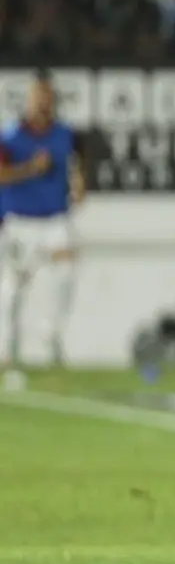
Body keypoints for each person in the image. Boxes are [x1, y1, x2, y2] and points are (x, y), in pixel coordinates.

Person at [0, 74, 84, 366]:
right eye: (38, 97)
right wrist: (29, 169)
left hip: (54, 220)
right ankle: (7, 347)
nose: (43, 103)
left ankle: (50, 333)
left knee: (67, 271)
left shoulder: (63, 134)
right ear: (29, 101)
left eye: (48, 97)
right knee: (12, 286)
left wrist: (77, 184)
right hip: (20, 220)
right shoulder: (10, 136)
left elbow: (72, 166)